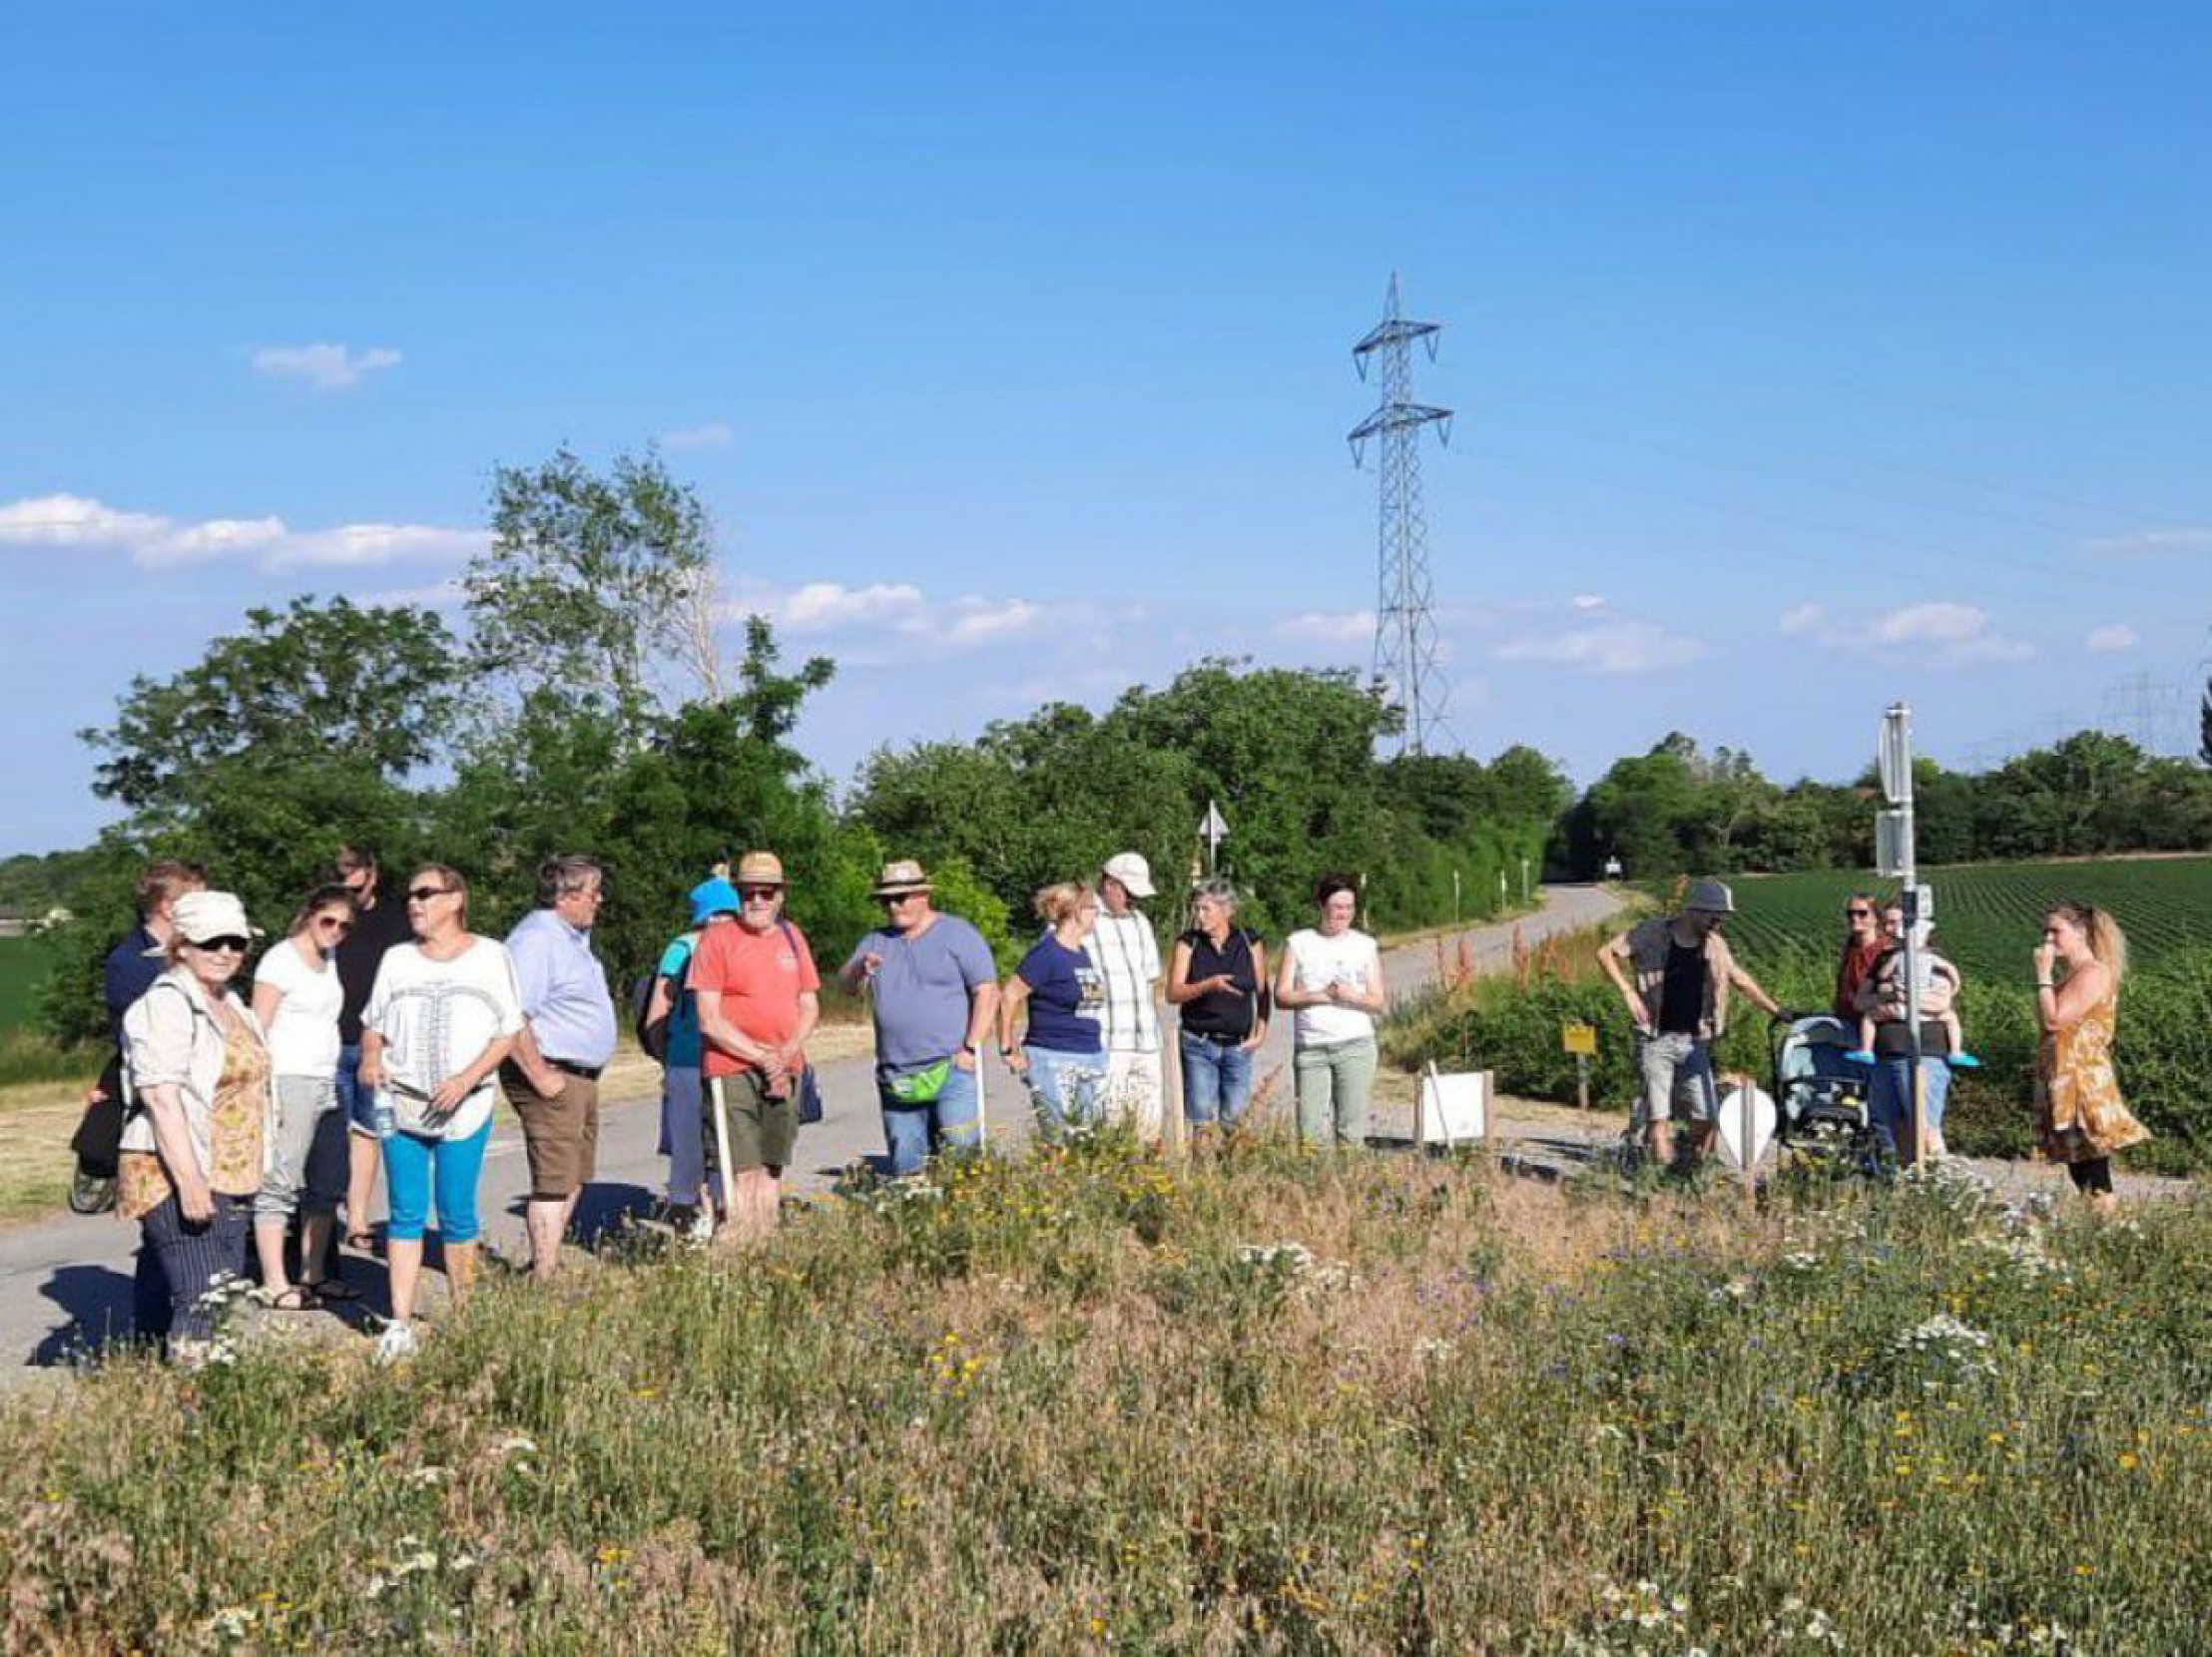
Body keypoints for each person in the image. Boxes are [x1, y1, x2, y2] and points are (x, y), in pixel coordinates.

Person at [358, 866, 522, 1363]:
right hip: (403, 1101)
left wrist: (466, 1078)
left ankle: (465, 1317)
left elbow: (508, 1030)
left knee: (456, 1212)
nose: (414, 903)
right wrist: (370, 1058)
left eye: (425, 894)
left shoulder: (491, 956)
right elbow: (373, 1024)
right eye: (410, 895)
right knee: (405, 1212)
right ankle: (401, 1321)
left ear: (455, 899)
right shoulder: (397, 960)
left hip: (464, 1105)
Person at [116, 890, 272, 1363]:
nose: (226, 953)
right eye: (211, 943)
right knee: (200, 1295)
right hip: (181, 1168)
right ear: (180, 946)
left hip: (231, 1168)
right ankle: (192, 1408)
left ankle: (203, 1395)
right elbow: (161, 1097)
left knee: (220, 1293)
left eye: (235, 942)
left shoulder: (231, 1002)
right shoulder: (165, 1004)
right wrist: (190, 1181)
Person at [1596, 878, 1788, 1170]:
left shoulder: (1716, 946)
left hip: (1694, 1041)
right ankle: (1662, 1183)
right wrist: (1628, 992)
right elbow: (1605, 953)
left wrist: (1775, 1009)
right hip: (1654, 1038)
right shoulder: (1651, 933)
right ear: (1695, 911)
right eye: (1714, 916)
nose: (1719, 922)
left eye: (1723, 917)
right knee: (1658, 1118)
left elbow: (1740, 979)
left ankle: (1690, 1173)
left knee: (1707, 1118)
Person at [838, 858, 998, 1178]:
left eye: (901, 898)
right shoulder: (875, 941)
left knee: (962, 1159)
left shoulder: (957, 934)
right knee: (908, 1165)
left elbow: (987, 990)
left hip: (951, 1067)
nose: (894, 906)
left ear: (923, 896)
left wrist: (970, 1047)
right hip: (897, 1074)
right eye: (887, 900)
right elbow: (845, 986)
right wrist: (859, 969)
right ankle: (917, 1219)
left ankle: (965, 1221)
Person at [691, 852, 821, 1241]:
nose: (758, 901)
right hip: (731, 1068)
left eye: (767, 892)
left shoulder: (792, 937)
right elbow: (708, 1018)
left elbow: (810, 1004)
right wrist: (762, 1057)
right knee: (741, 1167)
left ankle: (764, 1241)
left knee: (773, 1164)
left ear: (780, 896)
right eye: (749, 893)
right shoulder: (717, 940)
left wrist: (783, 1055)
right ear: (738, 895)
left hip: (786, 1067)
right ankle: (741, 1242)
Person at [501, 855, 618, 1281]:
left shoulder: (570, 939)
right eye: (592, 892)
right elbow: (513, 1015)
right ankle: (545, 1274)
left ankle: (546, 1264)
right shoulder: (537, 940)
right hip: (553, 1072)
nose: (598, 900)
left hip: (579, 1075)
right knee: (553, 1178)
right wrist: (540, 1076)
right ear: (565, 896)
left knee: (573, 1173)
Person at [72, 859, 207, 1218]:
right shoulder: (129, 962)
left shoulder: (197, 953)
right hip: (156, 1090)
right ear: (167, 906)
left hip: (198, 1086)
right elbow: (137, 1037)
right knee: (164, 1205)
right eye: (197, 902)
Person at [248, 885, 358, 1310]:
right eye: (328, 921)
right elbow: (258, 1027)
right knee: (282, 1180)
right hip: (289, 1077)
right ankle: (276, 1280)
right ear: (309, 915)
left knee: (330, 1180)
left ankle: (314, 1273)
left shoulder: (328, 960)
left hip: (326, 1077)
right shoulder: (280, 960)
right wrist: (264, 1092)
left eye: (345, 926)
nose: (335, 931)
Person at [2033, 901, 2148, 1205]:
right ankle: (2097, 1228)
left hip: (2082, 1080)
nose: (2048, 939)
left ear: (2081, 932)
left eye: (2056, 931)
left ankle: (2110, 1227)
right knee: (2078, 1164)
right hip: (2062, 1077)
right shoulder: (2070, 977)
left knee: (2093, 1164)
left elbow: (2054, 1019)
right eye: (2045, 932)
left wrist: (2043, 975)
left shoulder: (2093, 973)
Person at [330, 845, 415, 1253]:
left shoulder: (396, 920)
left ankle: (358, 1218)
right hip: (328, 1042)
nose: (348, 888)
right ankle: (321, 1215)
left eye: (354, 878)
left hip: (376, 1043)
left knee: (369, 1131)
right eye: (339, 878)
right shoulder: (326, 918)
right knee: (330, 1133)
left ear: (371, 874)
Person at [647, 874, 742, 1240]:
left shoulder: (683, 946)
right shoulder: (692, 948)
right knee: (713, 1140)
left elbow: (658, 1011)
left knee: (699, 1142)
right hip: (706, 1058)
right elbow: (659, 1007)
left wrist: (665, 1054)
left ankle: (706, 1212)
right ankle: (711, 1212)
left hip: (695, 1058)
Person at [1849, 902, 1977, 1164]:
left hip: (1923, 1052)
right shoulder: (1884, 960)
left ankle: (1942, 1178)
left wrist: (1901, 998)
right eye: (1888, 923)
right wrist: (1892, 994)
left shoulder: (1932, 960)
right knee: (1895, 1127)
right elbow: (1861, 1002)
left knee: (1925, 1124)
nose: (1891, 929)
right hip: (1886, 1053)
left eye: (1897, 922)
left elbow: (1941, 1002)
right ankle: (1907, 1183)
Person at [1275, 873, 1386, 1149]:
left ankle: (1349, 1186)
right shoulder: (1298, 943)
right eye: (1338, 907)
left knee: (1351, 1130)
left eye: (1349, 907)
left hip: (1355, 1045)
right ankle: (1313, 1185)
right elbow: (1282, 996)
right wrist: (1319, 995)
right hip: (1312, 1046)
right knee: (1310, 1131)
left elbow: (1377, 1001)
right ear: (1322, 906)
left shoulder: (1364, 945)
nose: (1343, 914)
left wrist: (1351, 996)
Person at [998, 882, 1106, 1140]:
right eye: (1092, 908)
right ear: (1077, 912)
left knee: (1086, 1138)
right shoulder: (1046, 954)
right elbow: (1010, 995)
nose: (1097, 915)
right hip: (1053, 1054)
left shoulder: (1082, 953)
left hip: (1088, 1053)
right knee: (1059, 1137)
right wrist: (1008, 1046)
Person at [1167, 877, 1269, 1143]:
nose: (1199, 916)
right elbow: (1173, 993)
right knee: (1201, 1118)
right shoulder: (1188, 943)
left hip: (1239, 1045)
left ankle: (1230, 1175)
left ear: (1227, 910)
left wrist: (1261, 1030)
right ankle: (1201, 1176)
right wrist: (1207, 985)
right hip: (1199, 1043)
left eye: (1206, 909)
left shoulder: (1249, 940)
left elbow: (1261, 989)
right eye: (1196, 909)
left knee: (1235, 1118)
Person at [1084, 852, 1165, 1141]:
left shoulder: (1140, 921)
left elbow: (1151, 979)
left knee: (1149, 1124)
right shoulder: (1081, 918)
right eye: (1128, 893)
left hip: (1145, 1040)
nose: (1133, 901)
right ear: (1109, 884)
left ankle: (1146, 1178)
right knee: (1110, 1124)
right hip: (1107, 1041)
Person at [1831, 892, 1887, 1022]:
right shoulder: (1850, 946)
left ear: (1876, 918)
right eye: (1850, 913)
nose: (1855, 918)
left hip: (1871, 1022)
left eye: (1862, 913)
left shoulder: (1883, 949)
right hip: (1844, 1019)